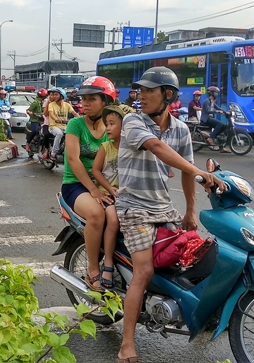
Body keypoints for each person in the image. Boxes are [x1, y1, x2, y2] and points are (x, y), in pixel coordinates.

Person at [114, 67, 223, 362]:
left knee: (194, 256)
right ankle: (127, 345)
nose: (142, 95)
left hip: (163, 207)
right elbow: (157, 147)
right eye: (141, 90)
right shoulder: (133, 120)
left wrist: (190, 212)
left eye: (150, 90)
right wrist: (197, 171)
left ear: (168, 95)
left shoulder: (181, 129)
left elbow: (187, 173)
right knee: (145, 271)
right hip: (133, 208)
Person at [60, 76, 114, 292]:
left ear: (106, 102)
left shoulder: (113, 126)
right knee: (96, 214)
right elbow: (73, 159)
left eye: (92, 99)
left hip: (104, 184)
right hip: (76, 185)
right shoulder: (75, 124)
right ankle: (93, 271)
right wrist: (93, 190)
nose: (85, 103)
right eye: (84, 99)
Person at [90, 104, 134, 289]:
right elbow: (96, 170)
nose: (107, 128)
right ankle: (108, 263)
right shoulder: (105, 147)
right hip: (108, 194)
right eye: (107, 124)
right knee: (113, 221)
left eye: (112, 124)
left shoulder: (132, 149)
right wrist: (108, 188)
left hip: (127, 196)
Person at [47, 88, 77, 159]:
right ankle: (53, 154)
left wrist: (81, 119)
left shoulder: (67, 105)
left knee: (74, 134)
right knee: (59, 133)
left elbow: (74, 113)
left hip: (64, 126)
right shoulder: (51, 104)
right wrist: (56, 119)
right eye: (53, 95)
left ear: (62, 96)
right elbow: (51, 114)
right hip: (53, 126)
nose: (54, 96)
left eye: (56, 94)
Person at [201, 86, 228, 153]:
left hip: (210, 118)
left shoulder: (212, 101)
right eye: (216, 92)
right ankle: (210, 138)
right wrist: (217, 111)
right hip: (206, 119)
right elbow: (208, 111)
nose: (217, 94)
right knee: (220, 124)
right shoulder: (207, 101)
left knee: (223, 127)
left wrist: (226, 112)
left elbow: (218, 108)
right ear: (212, 93)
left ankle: (221, 147)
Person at [24, 88, 47, 153]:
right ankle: (28, 143)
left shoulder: (44, 102)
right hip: (35, 120)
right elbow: (28, 110)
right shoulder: (35, 102)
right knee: (34, 131)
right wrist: (30, 112)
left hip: (43, 120)